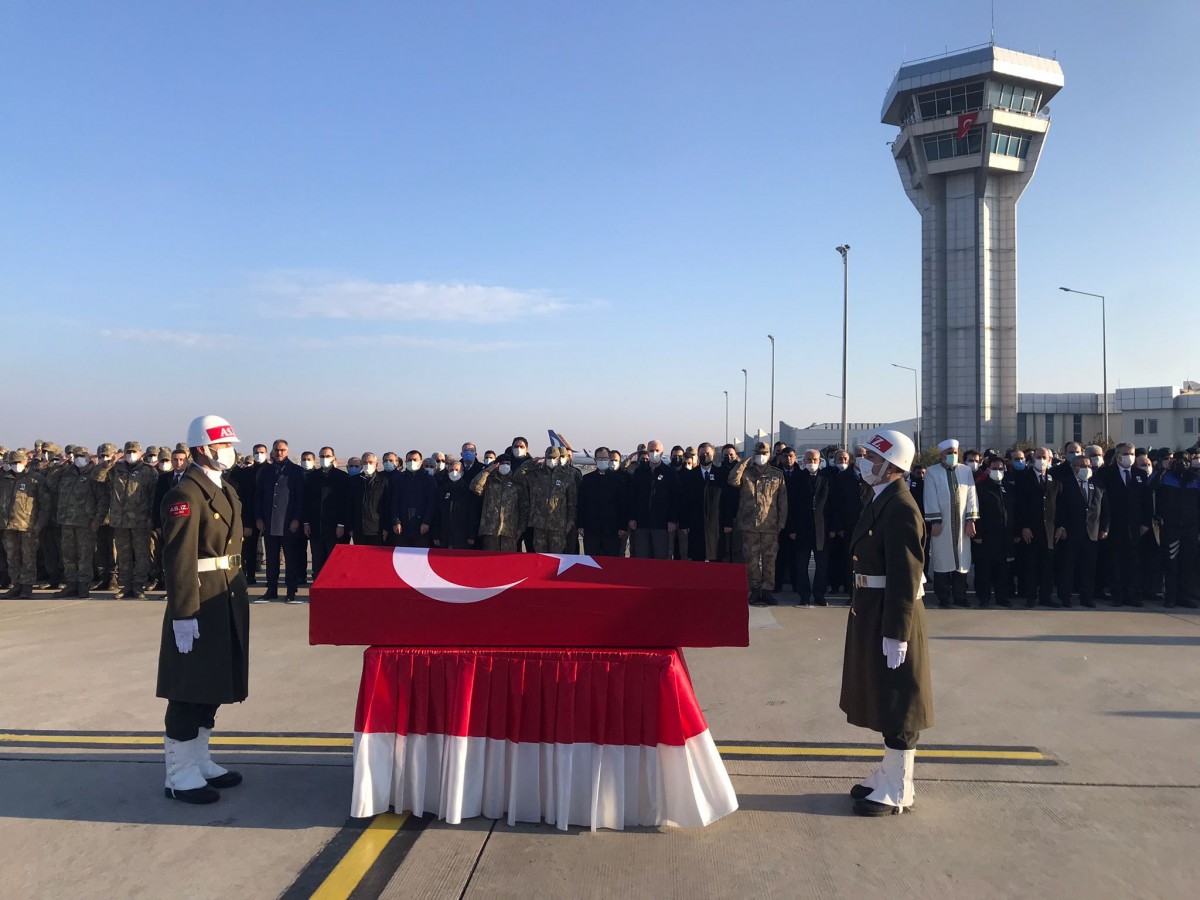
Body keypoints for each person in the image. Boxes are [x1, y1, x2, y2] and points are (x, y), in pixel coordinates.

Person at [158, 414, 249, 805]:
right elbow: (178, 558)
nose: (228, 452)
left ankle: (200, 760)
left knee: (212, 683)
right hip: (199, 597)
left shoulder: (223, 488)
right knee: (188, 689)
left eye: (230, 445)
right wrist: (182, 613)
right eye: (221, 446)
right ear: (200, 449)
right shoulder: (185, 494)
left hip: (226, 596)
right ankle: (179, 774)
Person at [839, 429, 930, 817]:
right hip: (871, 607)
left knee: (898, 699)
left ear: (893, 467)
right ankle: (888, 773)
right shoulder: (881, 498)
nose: (864, 463)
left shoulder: (901, 507)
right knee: (879, 691)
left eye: (871, 458)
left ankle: (899, 788)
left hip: (891, 612)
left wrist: (897, 633)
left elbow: (905, 577)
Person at [96, 440, 158, 600]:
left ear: (140, 453)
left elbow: (153, 496)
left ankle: (139, 586)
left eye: (133, 452)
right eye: (128, 452)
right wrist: (110, 462)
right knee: (123, 555)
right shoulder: (116, 469)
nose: (131, 455)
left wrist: (151, 518)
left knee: (141, 555)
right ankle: (126, 586)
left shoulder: (149, 472)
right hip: (120, 520)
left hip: (140, 521)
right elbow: (97, 477)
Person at [728, 441, 788, 606]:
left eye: (764, 452)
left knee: (769, 559)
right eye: (758, 452)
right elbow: (732, 480)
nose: (761, 455)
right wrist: (744, 461)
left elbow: (782, 501)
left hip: (770, 525)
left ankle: (767, 590)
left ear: (769, 455)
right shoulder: (746, 472)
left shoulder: (777, 474)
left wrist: (781, 523)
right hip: (749, 525)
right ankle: (754, 590)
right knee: (751, 560)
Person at [923, 439, 979, 609]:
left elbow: (971, 495)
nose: (952, 455)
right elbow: (930, 496)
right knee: (942, 560)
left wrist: (971, 520)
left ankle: (960, 596)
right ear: (941, 454)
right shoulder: (933, 472)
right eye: (949, 452)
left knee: (962, 560)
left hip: (962, 523)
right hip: (943, 523)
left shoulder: (966, 470)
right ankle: (943, 597)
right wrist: (936, 521)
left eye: (955, 452)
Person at [1054, 455, 1110, 607]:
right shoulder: (1064, 483)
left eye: (1088, 466)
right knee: (1068, 566)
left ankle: (1086, 597)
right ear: (1074, 468)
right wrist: (1061, 526)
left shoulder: (1097, 483)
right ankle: (1065, 596)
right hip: (1070, 532)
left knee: (1089, 567)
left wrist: (1104, 527)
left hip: (1091, 532)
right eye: (1082, 466)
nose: (1086, 469)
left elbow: (1104, 508)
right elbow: (1058, 508)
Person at [254, 439, 305, 603]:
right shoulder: (265, 471)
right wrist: (259, 518)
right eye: (276, 450)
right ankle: (271, 589)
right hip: (269, 522)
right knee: (271, 559)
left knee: (290, 559)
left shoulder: (296, 471)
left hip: (288, 522)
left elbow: (299, 498)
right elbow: (258, 497)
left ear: (287, 451)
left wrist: (296, 518)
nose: (279, 452)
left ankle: (291, 590)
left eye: (282, 450)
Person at [1153, 451, 1200, 608]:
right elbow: (1149, 486)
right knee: (1171, 562)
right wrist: (1161, 469)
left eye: (1186, 460)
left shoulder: (1195, 478)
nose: (1183, 463)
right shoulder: (1166, 477)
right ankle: (1170, 597)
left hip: (1191, 528)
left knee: (1189, 563)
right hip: (1171, 528)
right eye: (1178, 460)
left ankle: (1186, 596)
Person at [1, 450, 50, 598]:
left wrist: (39, 524)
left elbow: (45, 505)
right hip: (8, 525)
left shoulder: (36, 479)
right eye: (12, 463)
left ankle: (27, 587)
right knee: (12, 557)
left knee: (28, 557)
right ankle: (16, 585)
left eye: (18, 463)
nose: (16, 466)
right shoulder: (4, 479)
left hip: (28, 526)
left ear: (26, 462)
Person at [54, 445, 101, 598]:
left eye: (82, 456)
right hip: (67, 521)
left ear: (88, 457)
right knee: (68, 555)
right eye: (76, 456)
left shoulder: (94, 473)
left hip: (85, 522)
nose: (79, 459)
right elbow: (50, 483)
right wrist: (60, 466)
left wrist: (97, 519)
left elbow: (103, 498)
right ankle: (71, 584)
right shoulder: (67, 473)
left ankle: (83, 586)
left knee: (84, 555)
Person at [972, 456, 1017, 607]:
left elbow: (1014, 511)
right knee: (985, 568)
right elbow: (975, 511)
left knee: (1003, 569)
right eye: (994, 468)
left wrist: (1015, 533)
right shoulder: (980, 487)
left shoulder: (1008, 486)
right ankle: (984, 598)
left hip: (1005, 535)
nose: (998, 471)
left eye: (1000, 469)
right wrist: (977, 533)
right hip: (986, 535)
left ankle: (1002, 597)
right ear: (988, 469)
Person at [790, 449, 831, 607]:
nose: (811, 463)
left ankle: (819, 594)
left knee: (822, 566)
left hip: (822, 529)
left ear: (819, 461)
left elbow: (832, 505)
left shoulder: (827, 478)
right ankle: (804, 594)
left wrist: (833, 528)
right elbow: (791, 504)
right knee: (802, 565)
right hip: (802, 529)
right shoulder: (797, 478)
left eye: (814, 460)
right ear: (803, 461)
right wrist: (792, 529)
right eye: (808, 459)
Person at [303, 447, 350, 582]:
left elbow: (345, 503)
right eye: (322, 456)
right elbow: (307, 501)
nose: (325, 459)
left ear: (333, 458)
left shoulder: (342, 477)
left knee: (333, 559)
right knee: (317, 559)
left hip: (335, 527)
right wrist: (306, 522)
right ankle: (319, 585)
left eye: (327, 456)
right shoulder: (312, 477)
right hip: (316, 525)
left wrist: (341, 524)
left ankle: (334, 585)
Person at [628, 439, 679, 559]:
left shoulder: (670, 473)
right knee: (642, 556)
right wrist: (631, 517)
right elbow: (632, 496)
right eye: (651, 450)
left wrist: (672, 519)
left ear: (662, 453)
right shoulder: (639, 472)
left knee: (660, 557)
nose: (654, 453)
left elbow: (675, 497)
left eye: (657, 450)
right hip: (641, 523)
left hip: (661, 524)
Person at [471, 454, 529, 551]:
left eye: (508, 463)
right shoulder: (489, 480)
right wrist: (488, 470)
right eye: (502, 463)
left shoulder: (516, 482)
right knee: (490, 561)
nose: (505, 465)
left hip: (510, 530)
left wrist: (520, 528)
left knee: (507, 561)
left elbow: (523, 506)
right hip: (490, 530)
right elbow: (475, 487)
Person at [577, 447, 627, 557]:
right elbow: (581, 503)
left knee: (610, 562)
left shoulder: (618, 480)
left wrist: (622, 526)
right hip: (591, 528)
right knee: (591, 560)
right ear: (595, 460)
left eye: (605, 458)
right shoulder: (587, 479)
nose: (602, 461)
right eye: (600, 458)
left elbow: (623, 504)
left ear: (609, 459)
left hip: (612, 529)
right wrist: (580, 525)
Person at [229, 443, 267, 585]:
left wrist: (249, 522)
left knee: (252, 549)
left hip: (254, 517)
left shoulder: (247, 473)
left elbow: (250, 499)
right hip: (236, 518)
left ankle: (252, 575)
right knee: (242, 549)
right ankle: (243, 575)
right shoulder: (239, 473)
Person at [527, 446, 577, 553]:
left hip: (558, 525)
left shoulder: (566, 477)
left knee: (556, 557)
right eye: (549, 457)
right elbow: (518, 476)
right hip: (539, 524)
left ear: (559, 458)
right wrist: (530, 463)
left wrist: (570, 521)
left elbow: (572, 502)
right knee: (540, 557)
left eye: (554, 457)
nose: (552, 460)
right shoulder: (536, 474)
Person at [826, 449, 862, 595]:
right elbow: (836, 503)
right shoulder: (840, 477)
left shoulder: (869, 476)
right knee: (840, 559)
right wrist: (838, 526)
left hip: (861, 525)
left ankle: (852, 589)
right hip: (844, 526)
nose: (843, 461)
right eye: (839, 458)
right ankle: (837, 585)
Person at [432, 457, 481, 549]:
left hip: (462, 535)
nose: (454, 472)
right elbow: (436, 513)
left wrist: (471, 535)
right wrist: (436, 535)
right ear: (448, 472)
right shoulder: (441, 490)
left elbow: (472, 515)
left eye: (456, 470)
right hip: (444, 534)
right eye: (451, 470)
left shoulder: (468, 491)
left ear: (462, 473)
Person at [390, 450, 435, 548]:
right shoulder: (399, 479)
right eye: (409, 460)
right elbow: (394, 502)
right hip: (402, 526)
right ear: (405, 461)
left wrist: (426, 522)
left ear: (421, 462)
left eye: (415, 459)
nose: (412, 462)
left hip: (421, 527)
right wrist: (396, 521)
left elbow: (431, 503)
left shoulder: (428, 480)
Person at [349, 452, 390, 545]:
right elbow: (349, 505)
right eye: (365, 462)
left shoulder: (384, 481)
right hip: (358, 529)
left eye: (371, 462)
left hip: (376, 530)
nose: (368, 465)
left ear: (376, 464)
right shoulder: (354, 481)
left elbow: (387, 506)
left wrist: (386, 528)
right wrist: (350, 528)